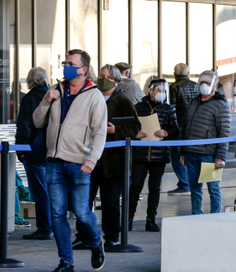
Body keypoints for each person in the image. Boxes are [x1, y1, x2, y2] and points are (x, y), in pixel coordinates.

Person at [32, 49, 107, 272]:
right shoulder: (56, 90)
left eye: (71, 63)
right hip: (54, 161)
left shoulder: (94, 96)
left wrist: (92, 159)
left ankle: (95, 243)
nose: (66, 66)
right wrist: (46, 101)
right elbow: (37, 122)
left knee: (83, 213)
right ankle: (67, 262)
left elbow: (100, 132)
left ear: (83, 69)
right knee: (57, 215)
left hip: (79, 162)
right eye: (65, 62)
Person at [74, 64, 141, 251]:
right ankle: (84, 236)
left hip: (113, 162)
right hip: (89, 158)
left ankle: (111, 237)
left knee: (110, 201)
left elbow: (135, 127)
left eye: (107, 76)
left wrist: (115, 130)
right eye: (101, 75)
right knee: (84, 200)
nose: (102, 79)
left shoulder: (123, 100)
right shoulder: (91, 96)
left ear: (116, 80)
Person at [130, 79, 179, 232]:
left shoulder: (169, 109)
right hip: (140, 155)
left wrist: (166, 132)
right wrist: (135, 134)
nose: (162, 93)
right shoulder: (138, 108)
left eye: (165, 91)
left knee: (155, 187)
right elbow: (130, 127)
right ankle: (128, 219)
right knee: (135, 186)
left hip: (159, 156)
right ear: (150, 91)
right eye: (159, 90)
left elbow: (176, 130)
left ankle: (151, 219)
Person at [181, 70, 231, 215]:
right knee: (194, 189)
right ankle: (197, 215)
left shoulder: (220, 105)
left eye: (208, 82)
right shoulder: (193, 101)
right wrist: (183, 152)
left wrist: (220, 157)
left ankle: (215, 216)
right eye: (202, 81)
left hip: (208, 154)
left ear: (215, 86)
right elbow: (186, 127)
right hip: (191, 153)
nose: (204, 85)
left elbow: (224, 132)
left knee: (213, 188)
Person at [15, 67, 53, 240]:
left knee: (40, 192)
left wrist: (21, 151)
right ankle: (54, 226)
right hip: (53, 151)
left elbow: (24, 126)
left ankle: (45, 228)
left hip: (35, 151)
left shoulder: (29, 99)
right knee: (52, 191)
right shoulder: (54, 96)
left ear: (31, 81)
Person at [167, 63, 198, 196]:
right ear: (188, 73)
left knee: (177, 155)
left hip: (179, 125)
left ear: (174, 74)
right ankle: (192, 182)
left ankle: (184, 184)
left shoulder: (173, 87)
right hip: (193, 126)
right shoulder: (195, 85)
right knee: (190, 154)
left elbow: (172, 108)